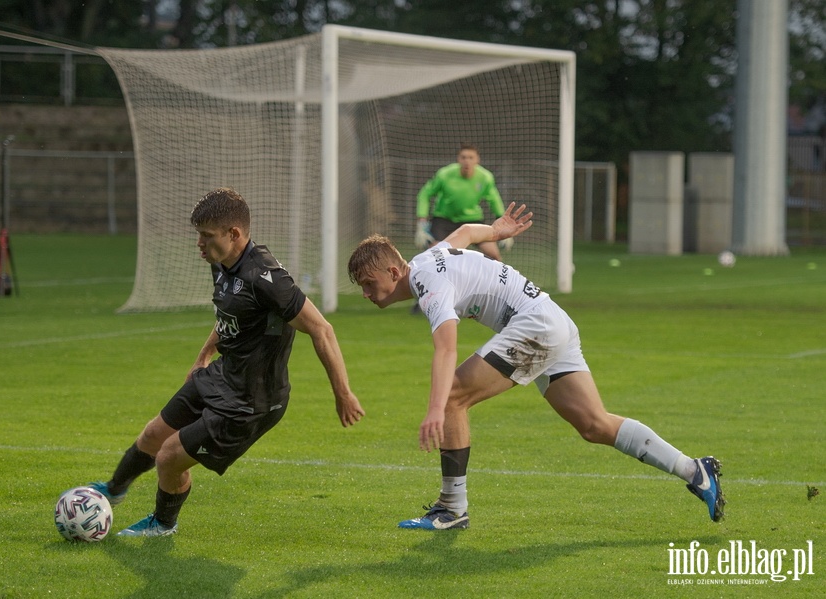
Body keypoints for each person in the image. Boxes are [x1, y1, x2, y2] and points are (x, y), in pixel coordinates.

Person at [347, 203, 725, 530]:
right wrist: (495, 230)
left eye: (367, 283)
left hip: (535, 326)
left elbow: (446, 350)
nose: (365, 293)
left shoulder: (429, 283)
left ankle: (451, 509)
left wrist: (434, 409)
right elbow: (463, 233)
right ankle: (695, 471)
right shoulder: (426, 261)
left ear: (394, 273)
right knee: (594, 424)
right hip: (550, 319)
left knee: (452, 398)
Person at [90, 187, 365, 537]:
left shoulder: (267, 279)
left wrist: (343, 393)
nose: (199, 245)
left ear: (234, 234)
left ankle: (163, 524)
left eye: (207, 236)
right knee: (153, 434)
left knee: (169, 456)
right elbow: (228, 315)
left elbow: (322, 330)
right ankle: (113, 490)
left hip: (252, 401)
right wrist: (204, 354)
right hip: (223, 375)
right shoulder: (220, 263)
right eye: (198, 236)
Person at [415, 143, 510, 261]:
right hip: (444, 220)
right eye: (463, 157)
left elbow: (494, 200)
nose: (467, 161)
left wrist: (502, 222)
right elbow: (424, 194)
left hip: (472, 220)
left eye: (471, 158)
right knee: (437, 256)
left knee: (494, 255)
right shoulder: (444, 174)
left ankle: (496, 279)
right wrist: (421, 222)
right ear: (458, 159)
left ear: (477, 160)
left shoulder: (485, 177)